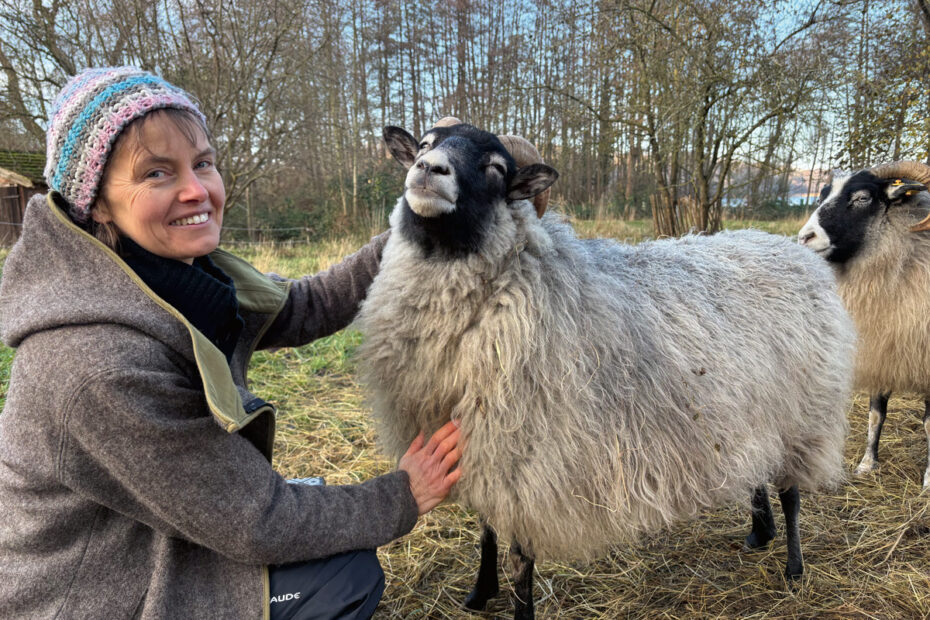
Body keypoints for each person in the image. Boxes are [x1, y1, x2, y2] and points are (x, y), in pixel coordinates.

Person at [0, 66, 462, 619]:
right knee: (342, 574)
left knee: (321, 511)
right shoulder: (96, 364)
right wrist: (403, 495)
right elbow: (259, 521)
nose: (196, 190)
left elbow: (304, 306)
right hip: (89, 592)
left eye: (203, 164)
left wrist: (414, 222)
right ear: (96, 202)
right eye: (156, 173)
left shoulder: (164, 275)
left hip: (147, 532)